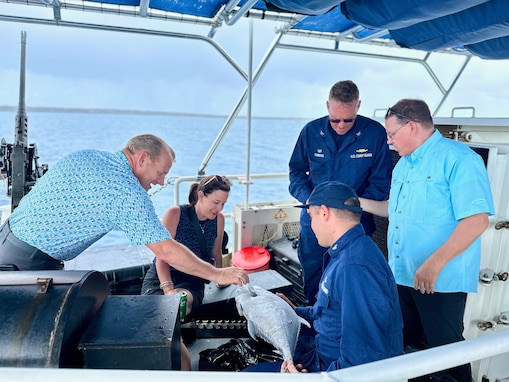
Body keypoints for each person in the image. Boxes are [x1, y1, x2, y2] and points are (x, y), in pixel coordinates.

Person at [359, 99, 495, 381]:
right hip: (402, 273)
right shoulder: (403, 166)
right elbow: (392, 210)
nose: (389, 141)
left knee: (446, 352)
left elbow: (476, 220)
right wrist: (356, 202)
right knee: (407, 346)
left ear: (411, 126)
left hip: (438, 279)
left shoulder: (460, 159)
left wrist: (434, 264)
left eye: (392, 134)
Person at [0, 134, 248, 286]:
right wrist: (218, 274)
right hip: (29, 263)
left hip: (7, 237)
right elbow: (165, 250)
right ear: (141, 159)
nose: (161, 182)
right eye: (161, 172)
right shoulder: (126, 192)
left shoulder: (88, 156)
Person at [245, 181, 403, 373]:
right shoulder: (348, 253)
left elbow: (363, 361)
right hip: (319, 355)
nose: (311, 225)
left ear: (324, 213)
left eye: (311, 216)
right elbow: (330, 315)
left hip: (330, 370)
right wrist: (294, 310)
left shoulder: (354, 268)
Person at [288, 79, 393, 305]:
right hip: (315, 220)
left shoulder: (375, 134)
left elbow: (381, 181)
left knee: (350, 279)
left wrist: (352, 207)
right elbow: (296, 173)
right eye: (335, 119)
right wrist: (309, 200)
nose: (341, 125)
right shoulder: (310, 132)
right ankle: (314, 325)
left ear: (358, 105)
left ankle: (342, 328)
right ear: (327, 106)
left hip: (355, 223)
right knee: (314, 276)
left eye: (348, 120)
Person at [141, 174, 231, 316]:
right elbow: (162, 255)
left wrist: (220, 277)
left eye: (223, 204)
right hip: (163, 275)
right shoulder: (175, 213)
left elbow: (216, 252)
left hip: (192, 277)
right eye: (216, 202)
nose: (219, 208)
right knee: (155, 310)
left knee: (179, 304)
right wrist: (168, 289)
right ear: (201, 196)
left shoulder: (219, 219)